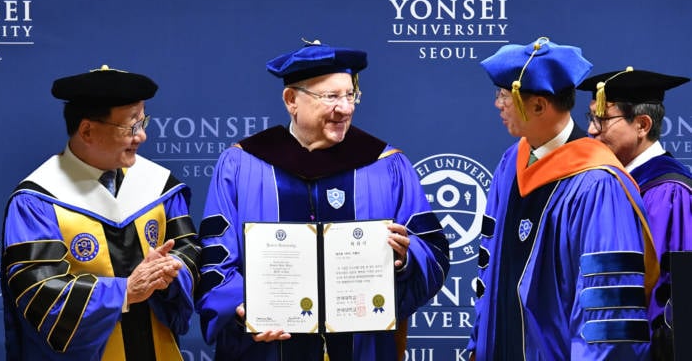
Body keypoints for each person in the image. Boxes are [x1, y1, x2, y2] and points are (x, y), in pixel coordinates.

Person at [195, 40, 450, 360]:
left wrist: (405, 260)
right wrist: (239, 306)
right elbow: (216, 257)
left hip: (361, 346)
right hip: (266, 349)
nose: (345, 108)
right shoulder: (241, 164)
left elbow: (433, 251)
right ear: (291, 100)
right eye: (331, 97)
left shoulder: (387, 166)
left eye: (349, 95)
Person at [467, 37, 659, 360]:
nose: (497, 104)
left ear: (539, 106)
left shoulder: (597, 185)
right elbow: (490, 270)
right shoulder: (510, 164)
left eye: (503, 95)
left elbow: (607, 316)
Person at [1, 64, 200, 361]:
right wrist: (124, 292)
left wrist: (171, 270)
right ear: (87, 130)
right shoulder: (38, 200)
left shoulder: (158, 186)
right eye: (131, 126)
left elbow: (188, 248)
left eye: (143, 122)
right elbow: (39, 291)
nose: (142, 136)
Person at [579, 67, 692, 360]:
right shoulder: (608, 183)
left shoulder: (668, 192)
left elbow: (667, 295)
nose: (591, 130)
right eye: (591, 118)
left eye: (602, 119)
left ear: (642, 125)